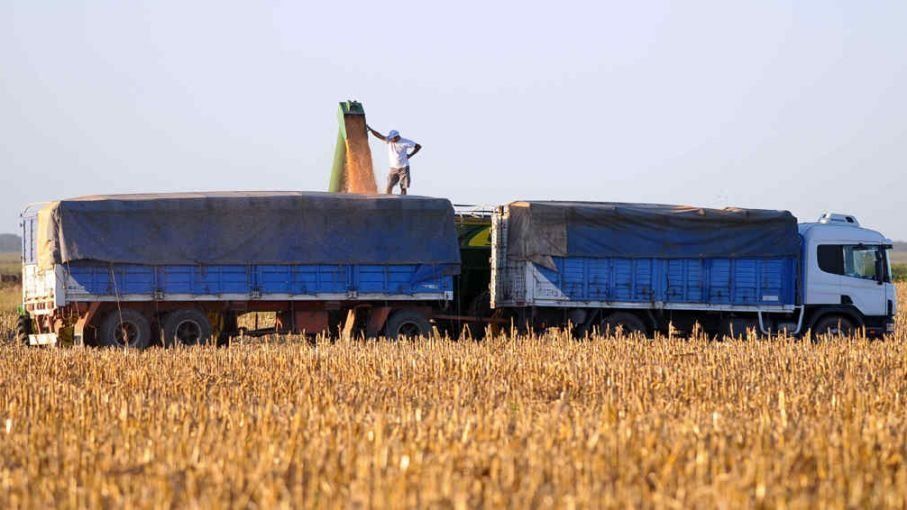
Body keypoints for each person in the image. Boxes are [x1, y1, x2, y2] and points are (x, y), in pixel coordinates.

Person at [366, 125, 422, 195]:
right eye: (391, 138)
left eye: (392, 138)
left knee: (403, 187)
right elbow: (379, 135)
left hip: (404, 168)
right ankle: (388, 200)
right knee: (389, 186)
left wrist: (410, 155)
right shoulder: (389, 141)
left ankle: (403, 200)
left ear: (397, 137)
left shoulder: (405, 142)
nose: (391, 140)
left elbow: (418, 146)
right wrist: (371, 129)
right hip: (393, 168)